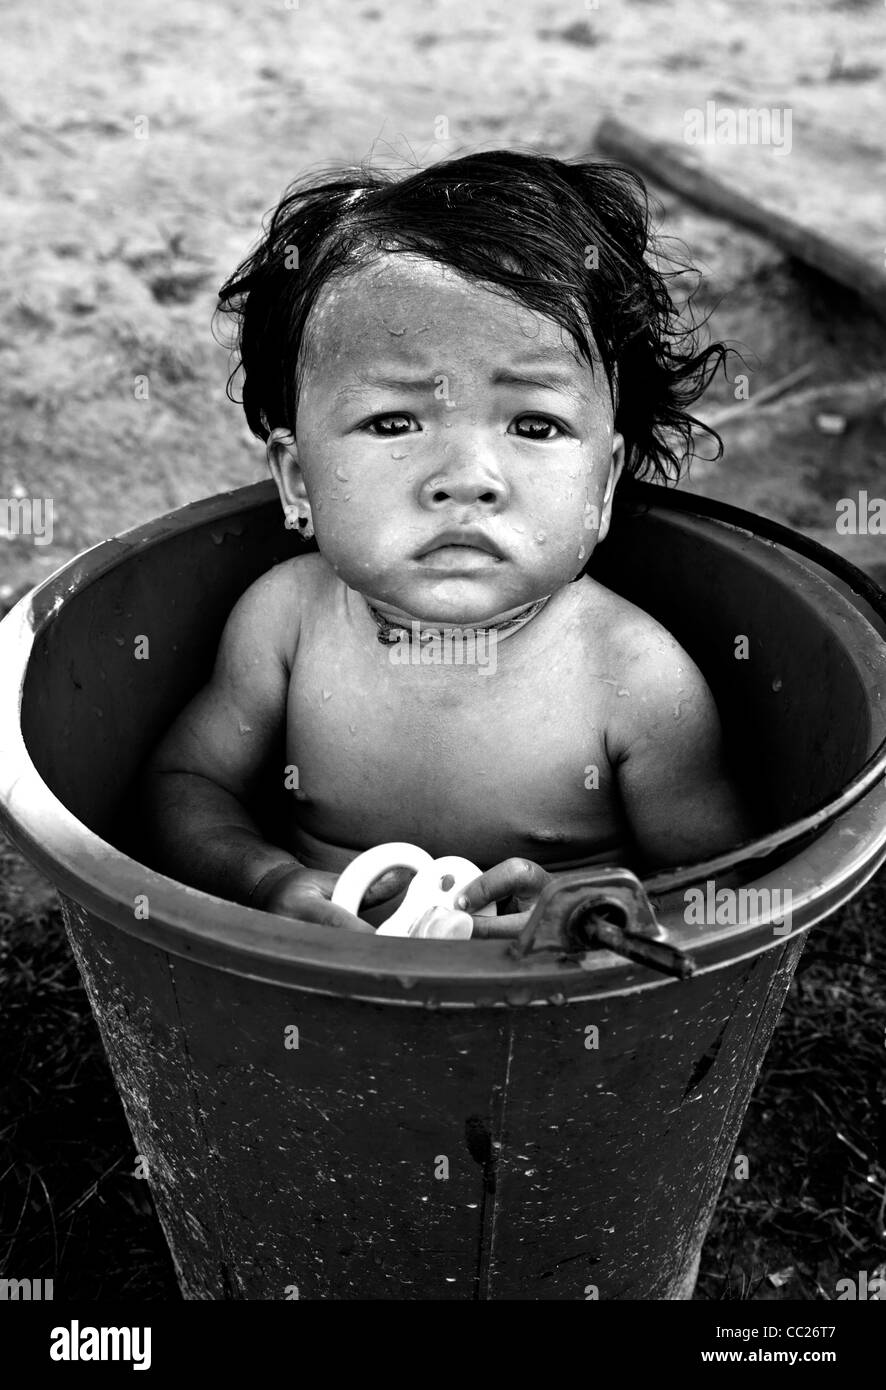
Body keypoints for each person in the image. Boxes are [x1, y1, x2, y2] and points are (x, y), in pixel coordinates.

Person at [140, 150, 751, 934]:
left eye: (535, 424)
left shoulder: (634, 677)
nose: (466, 478)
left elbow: (721, 884)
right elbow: (185, 782)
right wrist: (266, 880)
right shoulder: (286, 622)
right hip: (319, 1004)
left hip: (555, 1025)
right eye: (394, 422)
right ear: (298, 482)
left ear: (602, 487)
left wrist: (575, 917)